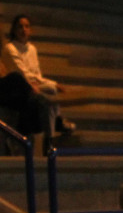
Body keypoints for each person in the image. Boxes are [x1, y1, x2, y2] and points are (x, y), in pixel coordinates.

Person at [1, 14, 76, 143]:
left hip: (34, 84)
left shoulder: (32, 49)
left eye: (26, 26)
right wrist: (39, 84)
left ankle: (51, 135)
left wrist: (52, 83)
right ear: (14, 30)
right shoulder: (10, 48)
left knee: (50, 91)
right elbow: (21, 72)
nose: (23, 30)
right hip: (20, 87)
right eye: (20, 27)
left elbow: (37, 75)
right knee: (47, 96)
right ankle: (56, 124)